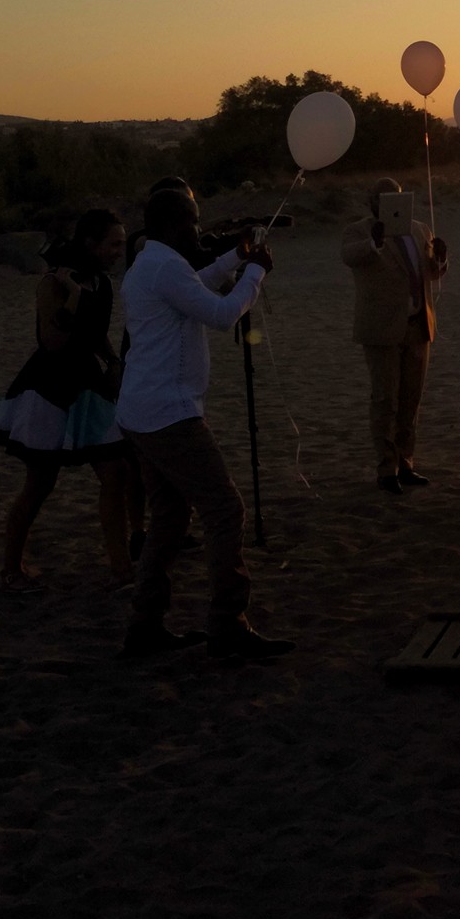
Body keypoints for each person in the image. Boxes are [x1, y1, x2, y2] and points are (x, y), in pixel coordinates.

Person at [116, 188, 288, 660]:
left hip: (142, 412)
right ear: (174, 224)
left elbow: (197, 282)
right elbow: (220, 312)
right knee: (224, 510)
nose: (198, 229)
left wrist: (237, 255)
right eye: (193, 221)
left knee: (169, 518)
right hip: (168, 414)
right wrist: (255, 271)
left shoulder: (150, 264)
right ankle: (226, 624)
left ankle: (144, 624)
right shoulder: (166, 267)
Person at [0, 209, 137, 590]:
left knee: (115, 473)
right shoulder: (53, 284)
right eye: (113, 243)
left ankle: (121, 568)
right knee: (40, 482)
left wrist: (113, 360)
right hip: (49, 387)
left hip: (87, 383)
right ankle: (11, 567)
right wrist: (73, 298)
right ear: (91, 243)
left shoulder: (101, 283)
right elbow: (53, 342)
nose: (120, 250)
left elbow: (94, 332)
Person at [341, 179, 450, 492]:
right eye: (382, 198)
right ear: (371, 202)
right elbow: (349, 255)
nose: (390, 202)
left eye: (396, 197)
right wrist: (374, 242)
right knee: (385, 398)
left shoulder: (419, 230)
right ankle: (385, 467)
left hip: (418, 326)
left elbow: (431, 271)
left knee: (410, 399)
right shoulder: (360, 231)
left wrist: (440, 259)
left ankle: (406, 462)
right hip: (382, 328)